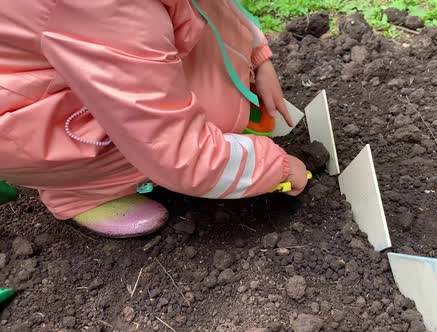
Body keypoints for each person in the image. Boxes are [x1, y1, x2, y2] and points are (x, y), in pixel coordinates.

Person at [0, 0, 309, 238]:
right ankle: (82, 193)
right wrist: (275, 167)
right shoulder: (106, 11)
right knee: (166, 135)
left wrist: (257, 54)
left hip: (73, 54)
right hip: (23, 125)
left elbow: (207, 7)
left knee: (212, 105)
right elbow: (176, 151)